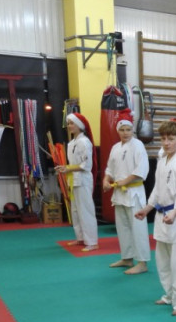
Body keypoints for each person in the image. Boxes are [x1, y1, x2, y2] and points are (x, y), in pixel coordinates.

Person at [135, 119, 176, 316]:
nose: (166, 143)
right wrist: (147, 208)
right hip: (162, 217)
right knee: (163, 262)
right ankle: (170, 295)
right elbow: (157, 189)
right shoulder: (162, 161)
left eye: (171, 139)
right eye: (163, 139)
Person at [102, 115, 150, 275]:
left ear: (132, 130)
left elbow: (141, 170)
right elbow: (109, 169)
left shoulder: (138, 145)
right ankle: (127, 258)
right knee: (122, 227)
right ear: (118, 131)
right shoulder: (115, 147)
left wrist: (125, 181)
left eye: (128, 129)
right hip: (119, 193)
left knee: (138, 227)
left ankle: (142, 262)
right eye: (122, 130)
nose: (125, 132)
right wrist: (106, 180)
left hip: (134, 192)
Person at [56, 112, 98, 252]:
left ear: (80, 125)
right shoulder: (72, 143)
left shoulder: (84, 142)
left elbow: (87, 165)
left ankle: (92, 241)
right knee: (75, 210)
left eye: (72, 123)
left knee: (85, 210)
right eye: (68, 123)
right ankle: (80, 237)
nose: (69, 126)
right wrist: (66, 168)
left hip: (83, 180)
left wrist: (68, 168)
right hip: (73, 179)